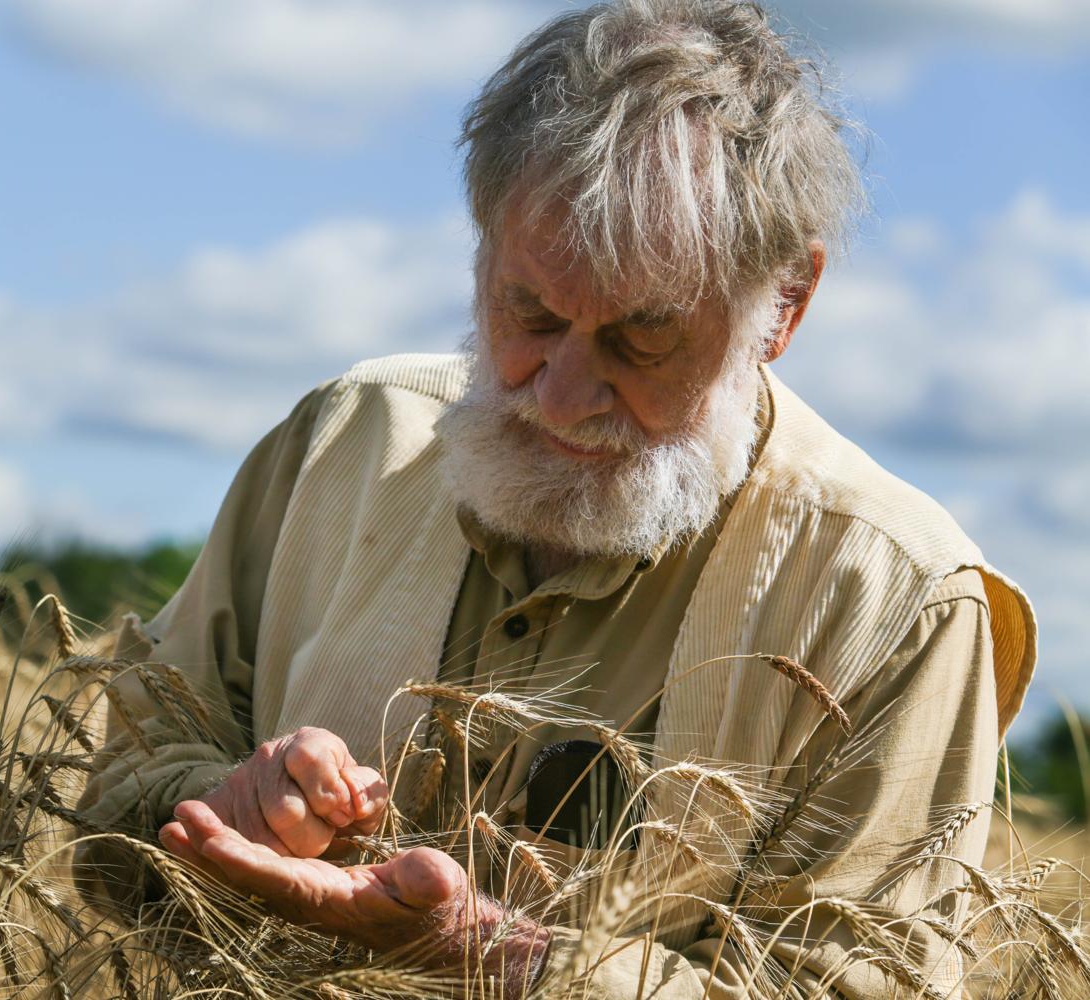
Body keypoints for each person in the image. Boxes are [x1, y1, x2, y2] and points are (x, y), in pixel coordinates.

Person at [71, 1, 1035, 997]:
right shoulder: (344, 440)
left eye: (643, 337)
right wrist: (225, 812)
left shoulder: (895, 601)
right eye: (530, 312)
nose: (565, 397)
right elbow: (115, 804)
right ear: (481, 246)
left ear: (782, 307)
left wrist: (501, 959)